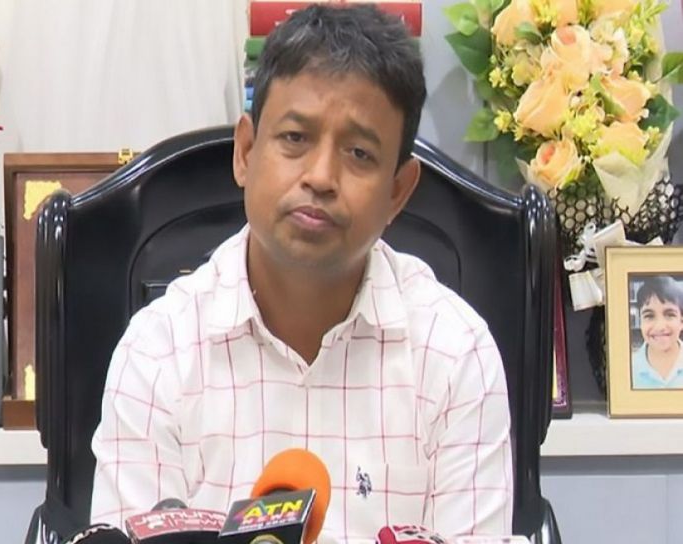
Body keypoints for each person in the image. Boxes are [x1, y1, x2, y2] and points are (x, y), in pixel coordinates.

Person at [90, 4, 513, 541]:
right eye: (294, 138)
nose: (321, 176)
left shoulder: (454, 353)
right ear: (246, 152)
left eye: (359, 153)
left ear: (397, 192)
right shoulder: (159, 351)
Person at [631, 276, 683, 389]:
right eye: (649, 316)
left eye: (670, 315)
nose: (660, 327)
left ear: (681, 321)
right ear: (640, 321)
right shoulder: (627, 367)